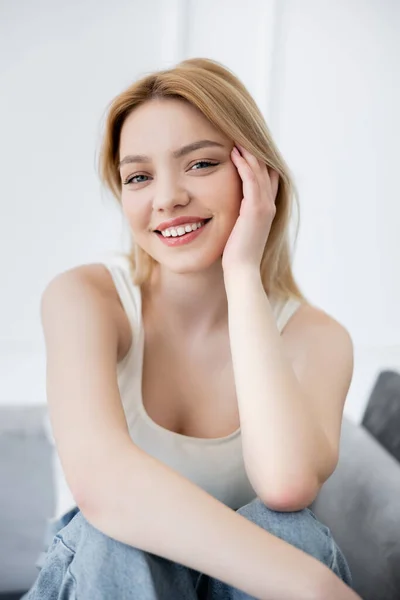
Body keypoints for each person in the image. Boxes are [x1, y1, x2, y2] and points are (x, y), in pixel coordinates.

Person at [22, 57, 361, 600]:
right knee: (116, 539)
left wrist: (243, 273)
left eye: (200, 164)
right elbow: (106, 487)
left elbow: (285, 482)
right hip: (108, 577)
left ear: (257, 173)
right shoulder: (84, 299)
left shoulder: (317, 339)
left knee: (290, 530)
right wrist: (315, 585)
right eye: (139, 176)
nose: (167, 197)